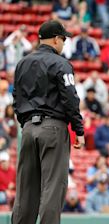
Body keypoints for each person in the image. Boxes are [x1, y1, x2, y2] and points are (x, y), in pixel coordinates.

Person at [11, 20, 85, 224]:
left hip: (27, 129)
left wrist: (26, 123)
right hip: (53, 128)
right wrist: (78, 129)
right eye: (63, 39)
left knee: (26, 190)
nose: (63, 43)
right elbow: (70, 98)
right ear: (55, 39)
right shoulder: (61, 63)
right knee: (52, 188)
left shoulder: (22, 63)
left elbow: (16, 98)